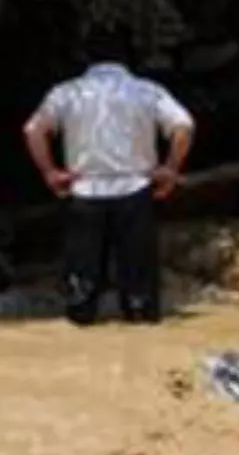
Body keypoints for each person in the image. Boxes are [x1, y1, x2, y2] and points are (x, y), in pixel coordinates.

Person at [22, 27, 196, 326]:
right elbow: (184, 126)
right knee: (140, 297)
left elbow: (32, 129)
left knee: (81, 296)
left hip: (84, 190)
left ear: (85, 56)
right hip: (136, 189)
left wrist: (50, 173)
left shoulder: (67, 93)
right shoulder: (147, 91)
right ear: (127, 56)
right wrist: (169, 169)